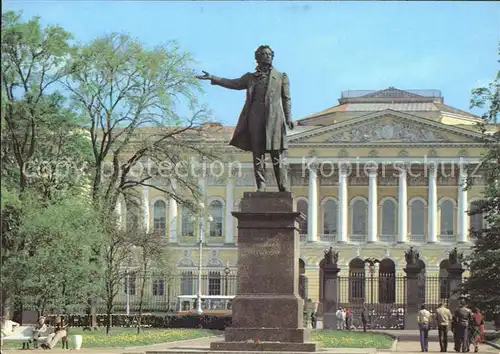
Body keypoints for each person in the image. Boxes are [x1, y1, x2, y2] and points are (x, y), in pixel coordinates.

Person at [196, 45, 294, 192]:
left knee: (276, 154)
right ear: (258, 58)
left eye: (269, 54)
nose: (267, 56)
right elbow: (234, 83)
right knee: (257, 154)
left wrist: (289, 118)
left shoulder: (281, 77)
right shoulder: (250, 78)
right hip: (255, 118)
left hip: (274, 120)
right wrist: (213, 78)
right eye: (264, 54)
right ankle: (261, 186)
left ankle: (283, 186)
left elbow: (286, 98)